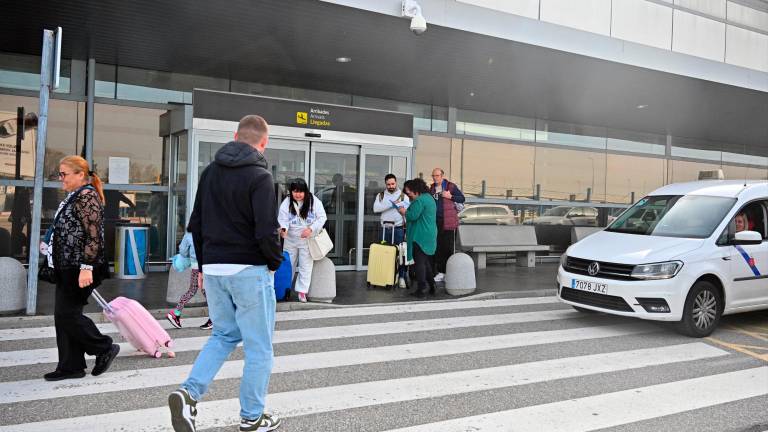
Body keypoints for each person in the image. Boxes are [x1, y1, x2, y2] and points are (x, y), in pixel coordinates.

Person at [168, 115, 283, 432]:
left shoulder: (209, 172)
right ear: (264, 143)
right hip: (248, 268)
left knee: (222, 335)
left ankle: (189, 393)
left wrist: (203, 267)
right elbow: (266, 231)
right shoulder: (261, 177)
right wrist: (275, 262)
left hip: (215, 268)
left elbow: (197, 225)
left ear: (235, 136)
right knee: (259, 347)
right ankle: (252, 417)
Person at [42, 155, 120, 381]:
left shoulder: (87, 197)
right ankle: (71, 366)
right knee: (64, 315)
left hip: (80, 267)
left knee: (67, 314)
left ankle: (104, 347)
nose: (61, 178)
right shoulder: (73, 196)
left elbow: (93, 236)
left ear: (80, 175)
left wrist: (86, 267)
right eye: (60, 173)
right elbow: (65, 228)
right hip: (67, 265)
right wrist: (49, 242)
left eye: (64, 174)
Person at [278, 178, 327, 303]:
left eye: (300, 191)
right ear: (291, 191)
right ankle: (285, 290)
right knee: (288, 265)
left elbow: (322, 217)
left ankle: (302, 292)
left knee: (306, 266)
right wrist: (284, 229)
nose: (298, 194)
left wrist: (311, 229)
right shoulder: (287, 202)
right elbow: (283, 218)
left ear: (305, 191)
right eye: (295, 191)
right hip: (291, 239)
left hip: (307, 240)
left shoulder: (314, 201)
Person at [398, 178, 437, 298]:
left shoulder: (419, 200)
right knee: (425, 262)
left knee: (419, 263)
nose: (409, 195)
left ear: (416, 190)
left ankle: (421, 288)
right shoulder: (429, 198)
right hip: (429, 234)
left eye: (409, 192)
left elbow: (413, 216)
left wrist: (404, 212)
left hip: (419, 236)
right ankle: (432, 285)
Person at [166, 231, 212, 330]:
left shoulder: (189, 233)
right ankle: (213, 318)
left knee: (195, 290)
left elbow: (183, 251)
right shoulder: (210, 228)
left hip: (195, 265)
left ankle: (176, 313)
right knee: (205, 291)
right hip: (207, 265)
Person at [372, 174, 410, 288]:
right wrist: (392, 203)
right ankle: (385, 277)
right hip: (385, 229)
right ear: (385, 184)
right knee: (384, 254)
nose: (391, 186)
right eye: (388, 184)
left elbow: (407, 212)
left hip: (398, 229)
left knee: (401, 254)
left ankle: (402, 277)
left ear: (396, 183)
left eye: (393, 184)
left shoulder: (403, 196)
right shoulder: (381, 195)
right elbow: (376, 209)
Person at [429, 168, 465, 282]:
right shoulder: (432, 188)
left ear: (442, 176)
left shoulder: (450, 186)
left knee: (448, 248)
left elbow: (462, 198)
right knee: (438, 247)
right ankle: (440, 272)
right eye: (433, 175)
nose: (435, 178)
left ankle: (448, 272)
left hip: (448, 222)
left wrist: (450, 197)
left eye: (437, 175)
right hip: (436, 221)